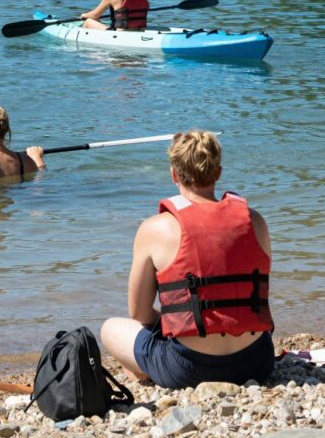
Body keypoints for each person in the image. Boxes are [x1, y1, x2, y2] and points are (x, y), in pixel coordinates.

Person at [100, 129, 274, 388]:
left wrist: (180, 320)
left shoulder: (156, 228)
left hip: (188, 369)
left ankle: (144, 370)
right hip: (258, 362)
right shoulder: (255, 221)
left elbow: (139, 313)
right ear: (218, 172)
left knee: (110, 328)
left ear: (174, 173)